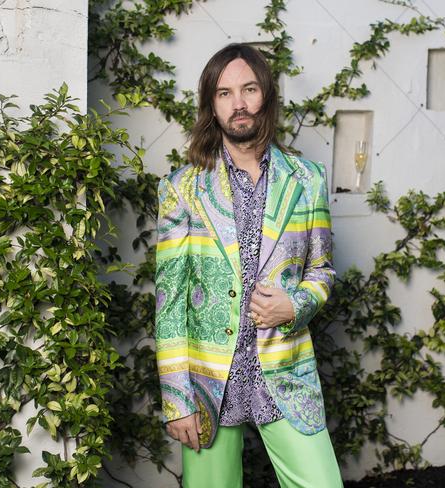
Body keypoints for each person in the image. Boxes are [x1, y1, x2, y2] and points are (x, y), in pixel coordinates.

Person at [155, 43, 343, 488]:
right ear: (211, 106)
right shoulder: (181, 189)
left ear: (266, 96)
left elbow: (323, 271)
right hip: (207, 381)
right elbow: (169, 302)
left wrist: (294, 306)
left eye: (249, 89)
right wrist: (176, 399)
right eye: (224, 93)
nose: (238, 104)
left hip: (285, 371)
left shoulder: (307, 179)